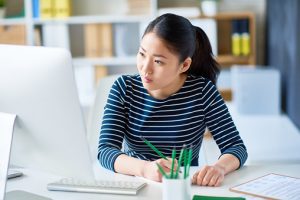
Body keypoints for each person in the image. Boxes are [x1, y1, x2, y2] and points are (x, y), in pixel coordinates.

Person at [98, 13, 247, 187]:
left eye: (158, 62)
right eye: (142, 54)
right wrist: (145, 168)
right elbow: (106, 151)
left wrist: (219, 168)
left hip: (182, 188)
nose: (145, 69)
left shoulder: (202, 92)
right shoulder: (124, 88)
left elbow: (236, 147)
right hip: (135, 186)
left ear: (184, 65)